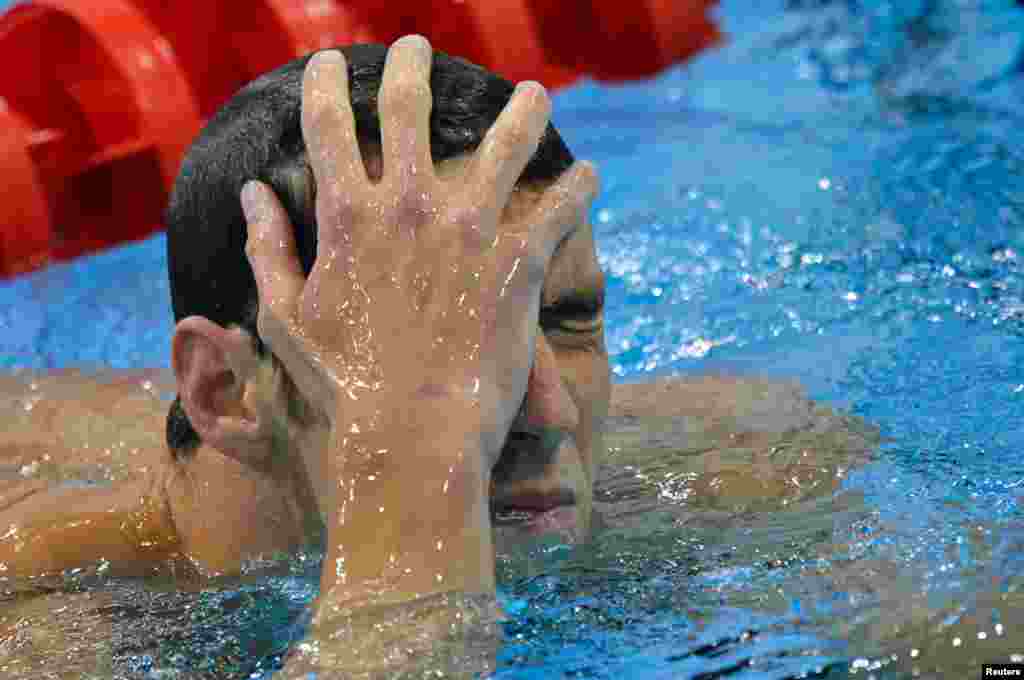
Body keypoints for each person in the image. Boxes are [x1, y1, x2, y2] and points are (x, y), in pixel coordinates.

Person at [0, 36, 877, 676]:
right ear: (226, 392)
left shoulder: (727, 468)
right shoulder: (58, 620)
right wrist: (414, 465)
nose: (549, 414)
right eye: (435, 342)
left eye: (567, 318)